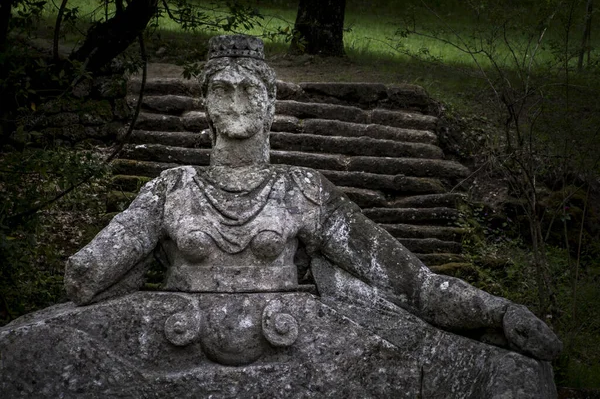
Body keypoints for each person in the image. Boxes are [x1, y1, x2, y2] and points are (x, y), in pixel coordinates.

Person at [57, 34, 560, 397]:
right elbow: (88, 272)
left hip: (295, 351)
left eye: (248, 89)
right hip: (170, 345)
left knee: (497, 375)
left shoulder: (302, 190)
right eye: (221, 90)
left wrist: (497, 313)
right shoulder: (170, 189)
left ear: (271, 103)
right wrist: (92, 270)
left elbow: (413, 283)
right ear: (205, 104)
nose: (235, 102)